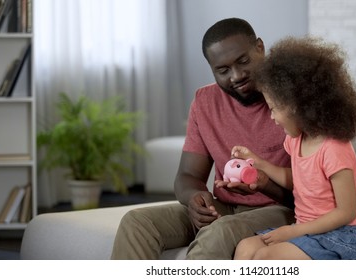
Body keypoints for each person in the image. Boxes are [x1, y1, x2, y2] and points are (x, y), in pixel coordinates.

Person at [110, 18, 295, 260]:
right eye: (223, 70)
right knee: (137, 223)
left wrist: (265, 184)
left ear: (260, 47)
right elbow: (187, 177)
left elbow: (310, 193)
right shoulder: (205, 101)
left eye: (243, 61)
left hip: (280, 210)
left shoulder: (292, 99)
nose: (237, 75)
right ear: (212, 68)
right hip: (226, 208)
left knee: (219, 232)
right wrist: (194, 199)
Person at [232, 36, 356, 260]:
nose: (272, 117)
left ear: (301, 105)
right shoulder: (295, 140)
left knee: (265, 257)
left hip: (344, 235)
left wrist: (294, 231)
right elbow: (301, 180)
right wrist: (261, 164)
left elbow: (347, 212)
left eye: (274, 108)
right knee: (245, 248)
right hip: (307, 230)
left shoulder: (334, 148)